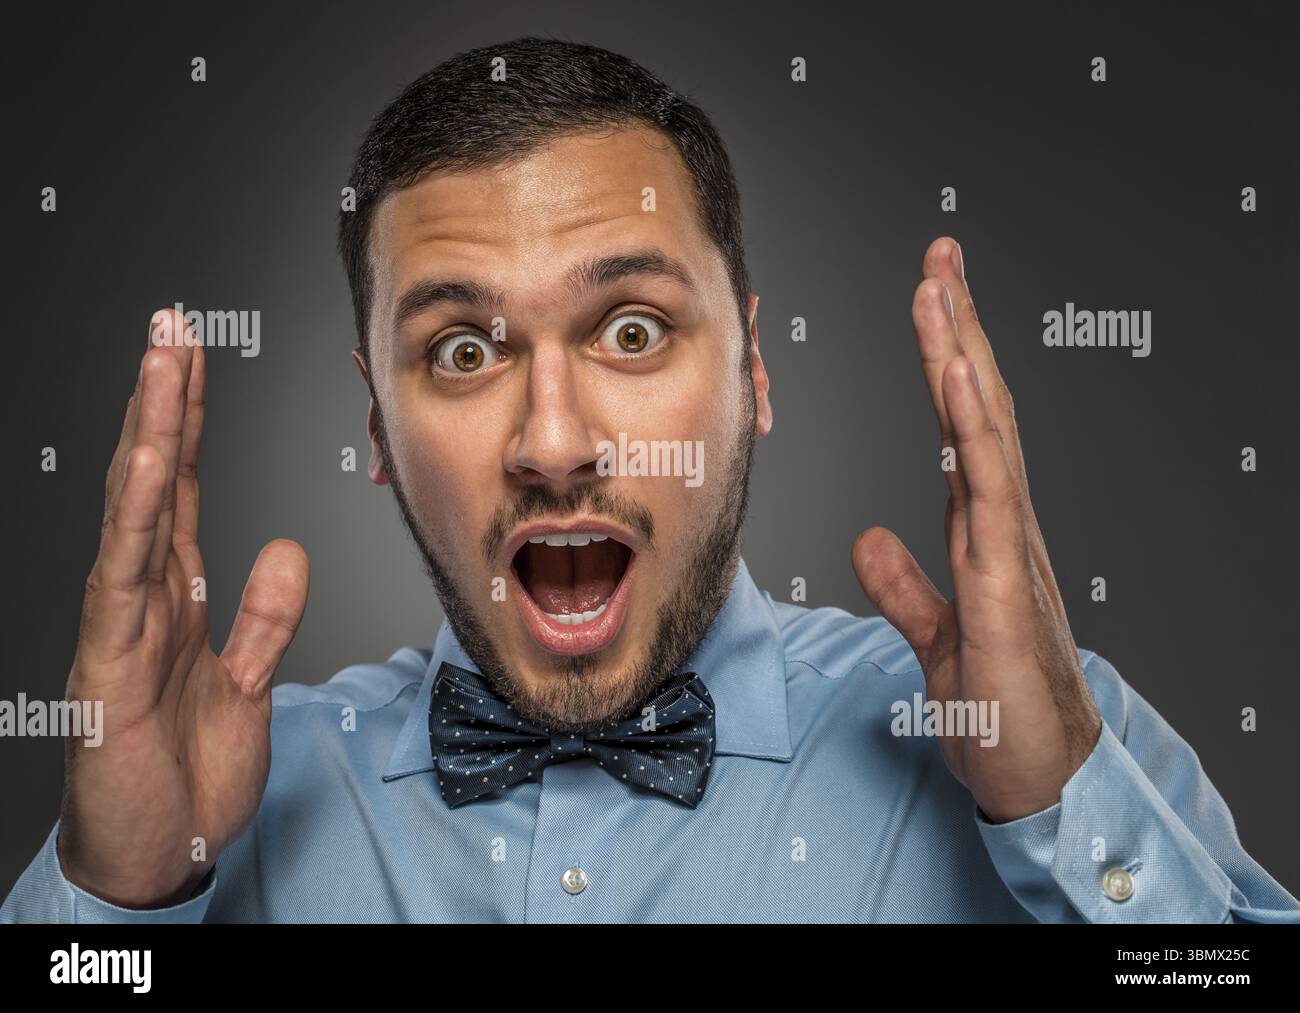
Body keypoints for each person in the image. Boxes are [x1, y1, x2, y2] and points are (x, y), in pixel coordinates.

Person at [3, 36, 1296, 923]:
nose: (555, 439)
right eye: (462, 348)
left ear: (755, 375)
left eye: (630, 328)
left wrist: (1064, 804)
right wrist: (117, 901)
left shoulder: (1054, 736)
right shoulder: (227, 794)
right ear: (379, 427)